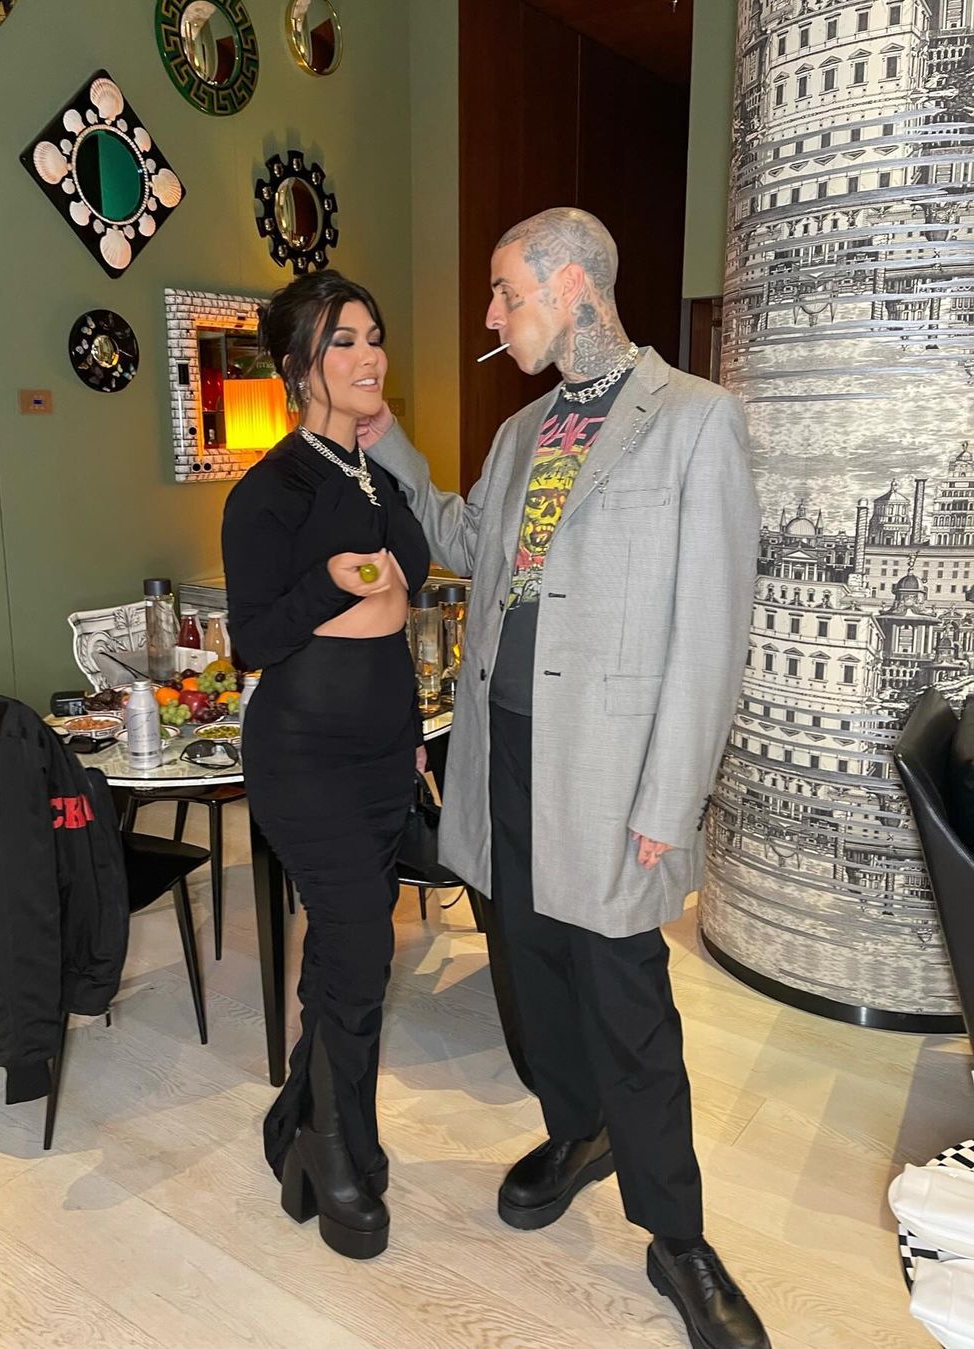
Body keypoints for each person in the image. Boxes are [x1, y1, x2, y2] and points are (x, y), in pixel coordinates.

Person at [359, 208, 769, 1347]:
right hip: (502, 753)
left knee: (627, 998)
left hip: (609, 771)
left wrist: (669, 798)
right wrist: (393, 446)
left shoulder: (694, 421)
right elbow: (463, 542)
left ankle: (677, 1236)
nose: (492, 313)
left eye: (506, 291)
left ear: (572, 286)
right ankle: (576, 1126)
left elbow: (710, 633)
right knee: (530, 974)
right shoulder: (521, 429)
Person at [222, 271, 430, 1261]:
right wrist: (331, 581)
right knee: (359, 947)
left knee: (349, 952)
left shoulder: (371, 475)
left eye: (373, 335)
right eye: (343, 340)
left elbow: (414, 578)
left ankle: (308, 1124)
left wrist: (411, 729)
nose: (369, 354)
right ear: (300, 364)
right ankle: (332, 1142)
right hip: (305, 754)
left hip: (384, 750)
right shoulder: (270, 490)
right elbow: (254, 637)